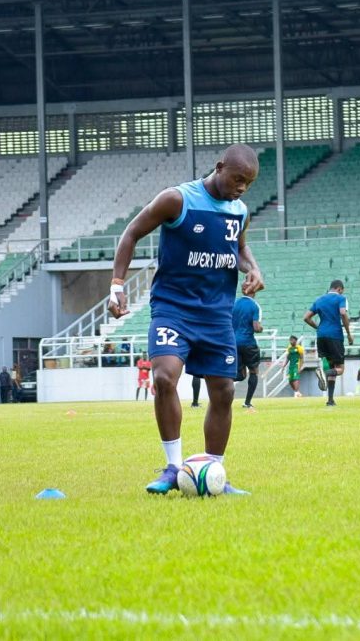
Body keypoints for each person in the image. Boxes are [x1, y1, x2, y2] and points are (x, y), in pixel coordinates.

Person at [108, 143, 263, 496]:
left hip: (216, 314)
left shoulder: (239, 211)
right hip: (173, 308)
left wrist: (253, 268)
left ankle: (214, 472)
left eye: (248, 184)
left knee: (223, 391)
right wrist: (117, 285)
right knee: (164, 378)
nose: (241, 188)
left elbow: (237, 248)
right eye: (238, 179)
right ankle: (172, 467)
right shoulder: (177, 200)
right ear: (219, 166)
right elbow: (131, 233)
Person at [305, 279, 354, 407]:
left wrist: (318, 328)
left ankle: (330, 400)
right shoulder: (341, 298)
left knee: (332, 367)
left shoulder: (319, 300)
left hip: (321, 337)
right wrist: (349, 333)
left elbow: (306, 318)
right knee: (340, 369)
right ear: (339, 289)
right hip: (335, 336)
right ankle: (324, 373)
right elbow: (343, 313)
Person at [233, 287, 263, 410]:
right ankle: (247, 402)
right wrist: (261, 328)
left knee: (240, 375)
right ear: (253, 291)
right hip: (248, 343)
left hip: (234, 342)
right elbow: (256, 327)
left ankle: (222, 384)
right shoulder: (254, 306)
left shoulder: (234, 304)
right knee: (254, 371)